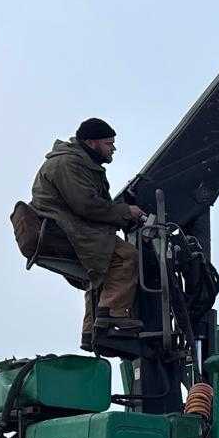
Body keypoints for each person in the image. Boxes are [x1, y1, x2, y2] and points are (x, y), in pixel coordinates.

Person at [29, 118, 146, 349]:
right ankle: (111, 317)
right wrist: (126, 212)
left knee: (101, 269)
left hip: (70, 226)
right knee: (126, 257)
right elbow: (86, 205)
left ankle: (92, 330)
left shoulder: (80, 163)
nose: (113, 148)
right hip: (67, 229)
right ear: (91, 143)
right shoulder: (68, 164)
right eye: (108, 143)